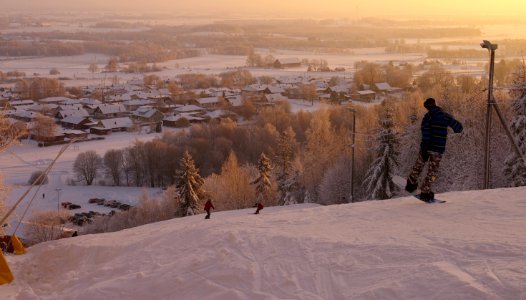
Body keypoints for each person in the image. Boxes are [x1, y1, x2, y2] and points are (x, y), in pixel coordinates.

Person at [406, 98, 463, 202]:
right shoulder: (445, 116)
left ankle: (411, 183)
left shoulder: (427, 118)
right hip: (438, 150)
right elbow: (458, 128)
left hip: (427, 148)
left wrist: (424, 149)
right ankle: (425, 191)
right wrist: (456, 128)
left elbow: (426, 135)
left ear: (427, 107)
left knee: (419, 165)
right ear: (435, 105)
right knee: (432, 172)